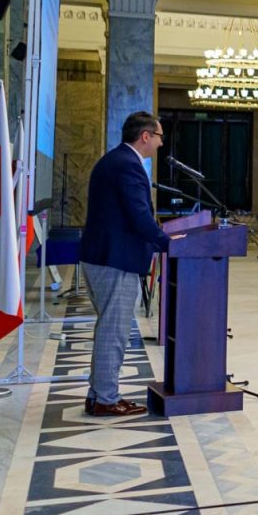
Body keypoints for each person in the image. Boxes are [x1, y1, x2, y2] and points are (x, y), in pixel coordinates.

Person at [79, 112, 180, 417]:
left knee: (109, 329)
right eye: (160, 137)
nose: (161, 144)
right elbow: (139, 216)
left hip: (104, 256)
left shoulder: (115, 160)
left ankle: (98, 394)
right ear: (145, 136)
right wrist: (171, 244)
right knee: (114, 331)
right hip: (115, 260)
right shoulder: (128, 165)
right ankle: (106, 399)